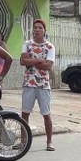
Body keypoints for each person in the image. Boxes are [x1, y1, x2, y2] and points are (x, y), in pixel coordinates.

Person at [19, 19, 56, 151]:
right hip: (29, 83)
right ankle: (23, 141)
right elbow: (22, 61)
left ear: (44, 30)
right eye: (35, 27)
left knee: (46, 114)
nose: (37, 30)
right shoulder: (27, 44)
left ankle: (49, 142)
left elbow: (48, 66)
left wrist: (31, 61)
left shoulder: (49, 47)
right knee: (24, 114)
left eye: (40, 27)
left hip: (43, 85)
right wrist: (39, 60)